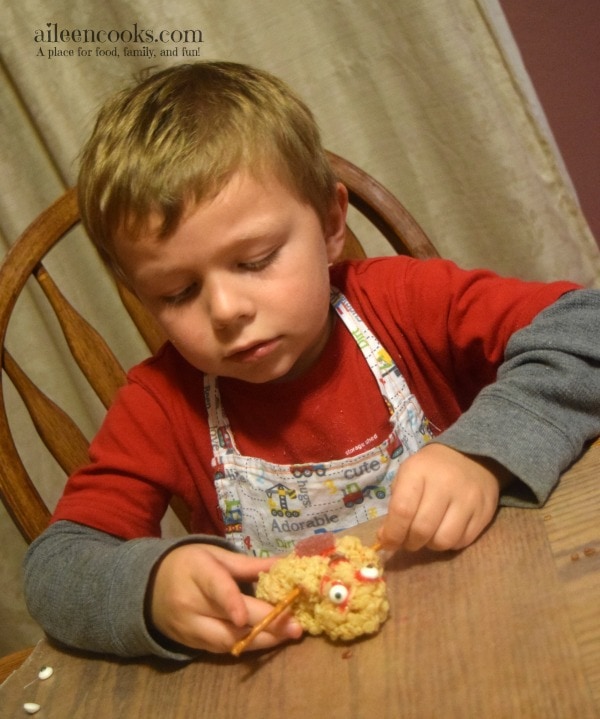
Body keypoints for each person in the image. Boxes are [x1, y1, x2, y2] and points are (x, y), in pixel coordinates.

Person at [23, 61, 600, 661]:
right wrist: (150, 588)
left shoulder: (402, 303)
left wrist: (484, 452)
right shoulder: (160, 403)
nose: (225, 310)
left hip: (490, 618)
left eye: (255, 260)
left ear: (329, 224)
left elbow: (588, 324)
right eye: (177, 293)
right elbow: (57, 568)